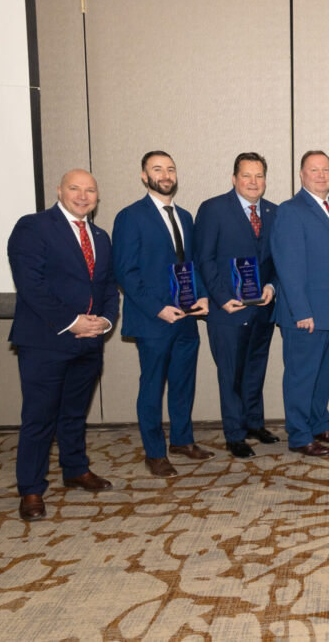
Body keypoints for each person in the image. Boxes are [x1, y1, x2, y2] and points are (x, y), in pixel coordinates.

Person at [7, 169, 120, 520]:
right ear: (59, 190)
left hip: (89, 342)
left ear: (97, 197)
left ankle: (75, 469)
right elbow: (31, 285)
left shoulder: (100, 236)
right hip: (46, 341)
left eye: (90, 190)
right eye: (75, 188)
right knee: (39, 418)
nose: (83, 196)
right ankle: (31, 489)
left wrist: (105, 321)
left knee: (74, 413)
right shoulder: (33, 226)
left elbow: (108, 285)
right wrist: (72, 322)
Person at [113, 151, 213, 477]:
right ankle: (155, 453)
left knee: (183, 383)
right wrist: (158, 309)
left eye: (170, 169)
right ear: (144, 176)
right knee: (152, 387)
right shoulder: (130, 216)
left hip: (186, 317)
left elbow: (191, 264)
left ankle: (182, 440)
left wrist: (202, 295)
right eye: (157, 169)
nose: (166, 175)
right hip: (153, 320)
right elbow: (125, 272)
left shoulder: (184, 216)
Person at [270, 150, 329, 457]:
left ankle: (319, 425)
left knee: (323, 375)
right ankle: (299, 435)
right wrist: (301, 311)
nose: (321, 175)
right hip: (307, 314)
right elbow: (288, 266)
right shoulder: (291, 210)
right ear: (301, 174)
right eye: (314, 170)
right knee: (301, 377)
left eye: (326, 169)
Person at [193, 152, 279, 459]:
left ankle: (254, 423)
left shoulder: (273, 212)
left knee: (255, 369)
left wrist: (271, 287)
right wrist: (220, 298)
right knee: (230, 375)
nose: (253, 182)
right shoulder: (213, 209)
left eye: (259, 176)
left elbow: (279, 259)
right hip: (227, 310)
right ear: (234, 178)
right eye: (246, 175)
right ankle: (234, 434)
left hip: (262, 309)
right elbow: (204, 259)